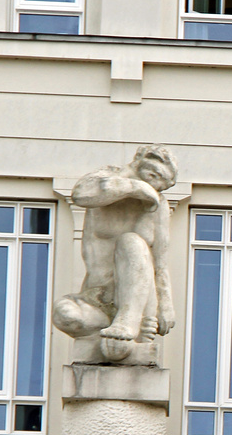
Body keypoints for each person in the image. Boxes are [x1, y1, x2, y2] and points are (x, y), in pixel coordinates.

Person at [52, 144, 178, 349]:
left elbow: (160, 262)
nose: (156, 188)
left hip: (137, 300)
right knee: (64, 314)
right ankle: (113, 325)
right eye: (155, 177)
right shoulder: (105, 178)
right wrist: (138, 187)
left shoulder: (157, 205)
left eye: (161, 186)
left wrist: (165, 306)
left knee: (131, 242)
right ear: (141, 161)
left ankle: (130, 320)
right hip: (96, 298)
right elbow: (80, 194)